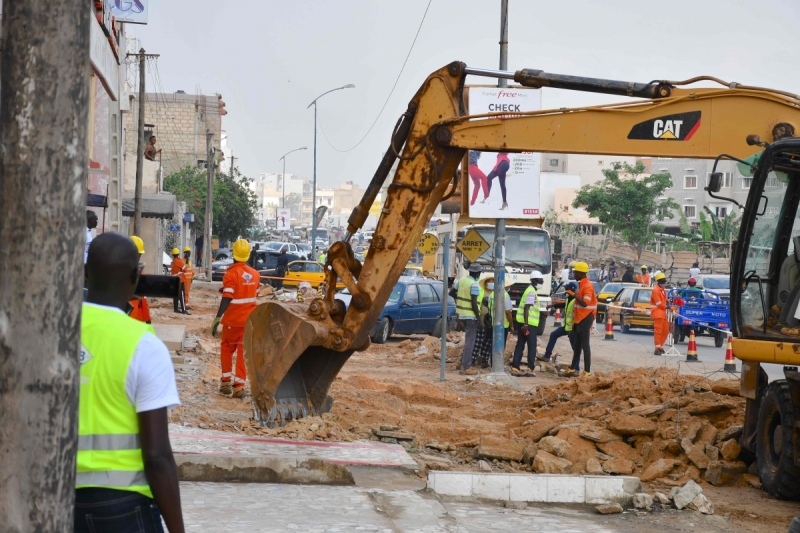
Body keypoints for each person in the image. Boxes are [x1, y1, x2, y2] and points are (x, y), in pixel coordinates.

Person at [76, 232, 184, 533]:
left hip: (55, 497)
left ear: (85, 273)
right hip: (123, 506)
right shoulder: (144, 345)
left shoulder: (51, 331)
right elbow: (157, 455)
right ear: (136, 276)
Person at [211, 239, 260, 398]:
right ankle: (239, 387)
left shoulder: (231, 274)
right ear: (248, 254)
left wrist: (217, 318)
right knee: (241, 353)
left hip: (232, 322)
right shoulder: (255, 275)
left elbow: (227, 297)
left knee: (226, 349)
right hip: (249, 323)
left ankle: (226, 383)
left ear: (233, 254)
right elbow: (252, 296)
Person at [564, 261, 597, 377]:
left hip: (586, 317)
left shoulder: (587, 286)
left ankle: (587, 371)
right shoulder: (582, 284)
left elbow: (584, 303)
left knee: (585, 345)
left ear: (581, 273)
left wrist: (573, 294)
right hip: (580, 319)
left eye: (576, 272)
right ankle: (573, 368)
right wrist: (574, 326)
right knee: (577, 346)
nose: (574, 274)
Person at [511, 271, 544, 376]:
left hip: (523, 323)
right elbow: (527, 307)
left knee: (520, 344)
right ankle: (530, 368)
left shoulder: (530, 290)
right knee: (531, 346)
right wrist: (526, 324)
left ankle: (515, 367)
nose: (541, 283)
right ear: (534, 281)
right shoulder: (531, 292)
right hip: (528, 324)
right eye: (540, 281)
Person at [539, 281, 577, 363]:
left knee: (575, 349)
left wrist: (573, 330)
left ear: (571, 290)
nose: (565, 290)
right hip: (566, 326)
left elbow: (576, 317)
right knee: (553, 335)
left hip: (572, 329)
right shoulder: (569, 299)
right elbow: (563, 305)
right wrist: (552, 306)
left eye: (567, 289)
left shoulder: (575, 301)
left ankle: (576, 368)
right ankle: (547, 356)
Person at [454, 265, 482, 375]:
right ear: (478, 273)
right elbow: (474, 304)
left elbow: (451, 293)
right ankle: (466, 367)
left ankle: (462, 362)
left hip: (462, 315)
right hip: (471, 316)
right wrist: (480, 319)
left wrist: (459, 303)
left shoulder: (461, 280)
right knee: (470, 342)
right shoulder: (474, 284)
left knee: (468, 341)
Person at [128, 236, 152, 324]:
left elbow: (143, 298)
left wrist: (147, 318)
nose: (139, 257)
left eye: (140, 255)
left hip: (136, 317)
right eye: (138, 254)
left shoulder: (139, 270)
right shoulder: (121, 271)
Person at [650, 272, 669, 355]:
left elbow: (664, 301)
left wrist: (670, 301)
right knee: (658, 331)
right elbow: (659, 304)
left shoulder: (662, 290)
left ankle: (661, 346)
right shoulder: (656, 290)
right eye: (663, 281)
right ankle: (657, 348)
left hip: (663, 313)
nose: (664, 283)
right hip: (658, 313)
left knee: (665, 331)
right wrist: (668, 307)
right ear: (659, 281)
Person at [170, 248, 189, 315]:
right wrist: (186, 263)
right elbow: (185, 269)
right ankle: (184, 310)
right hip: (179, 280)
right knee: (181, 295)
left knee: (175, 295)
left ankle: (175, 309)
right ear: (178, 254)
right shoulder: (178, 261)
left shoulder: (173, 261)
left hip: (174, 280)